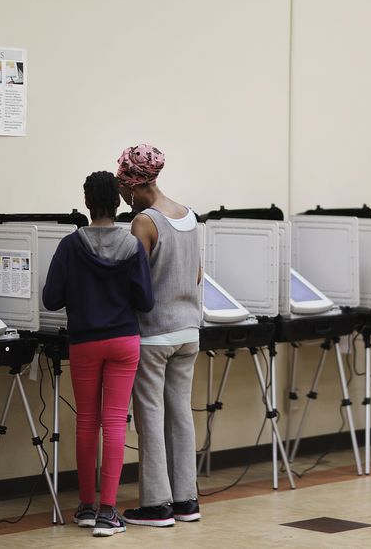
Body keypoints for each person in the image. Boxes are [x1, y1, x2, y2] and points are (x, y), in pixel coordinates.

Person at [43, 171, 154, 537]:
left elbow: (51, 298)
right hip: (123, 342)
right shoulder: (131, 246)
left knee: (87, 421)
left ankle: (86, 507)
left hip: (84, 342)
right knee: (114, 423)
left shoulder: (70, 246)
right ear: (118, 202)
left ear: (87, 202)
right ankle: (109, 513)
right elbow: (145, 301)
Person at [115, 144, 203, 527]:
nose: (120, 194)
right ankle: (186, 500)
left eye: (122, 186)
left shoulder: (144, 222)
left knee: (150, 416)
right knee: (181, 415)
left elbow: (135, 282)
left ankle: (155, 505)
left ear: (134, 184)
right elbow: (197, 275)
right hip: (189, 331)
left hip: (154, 334)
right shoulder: (189, 215)